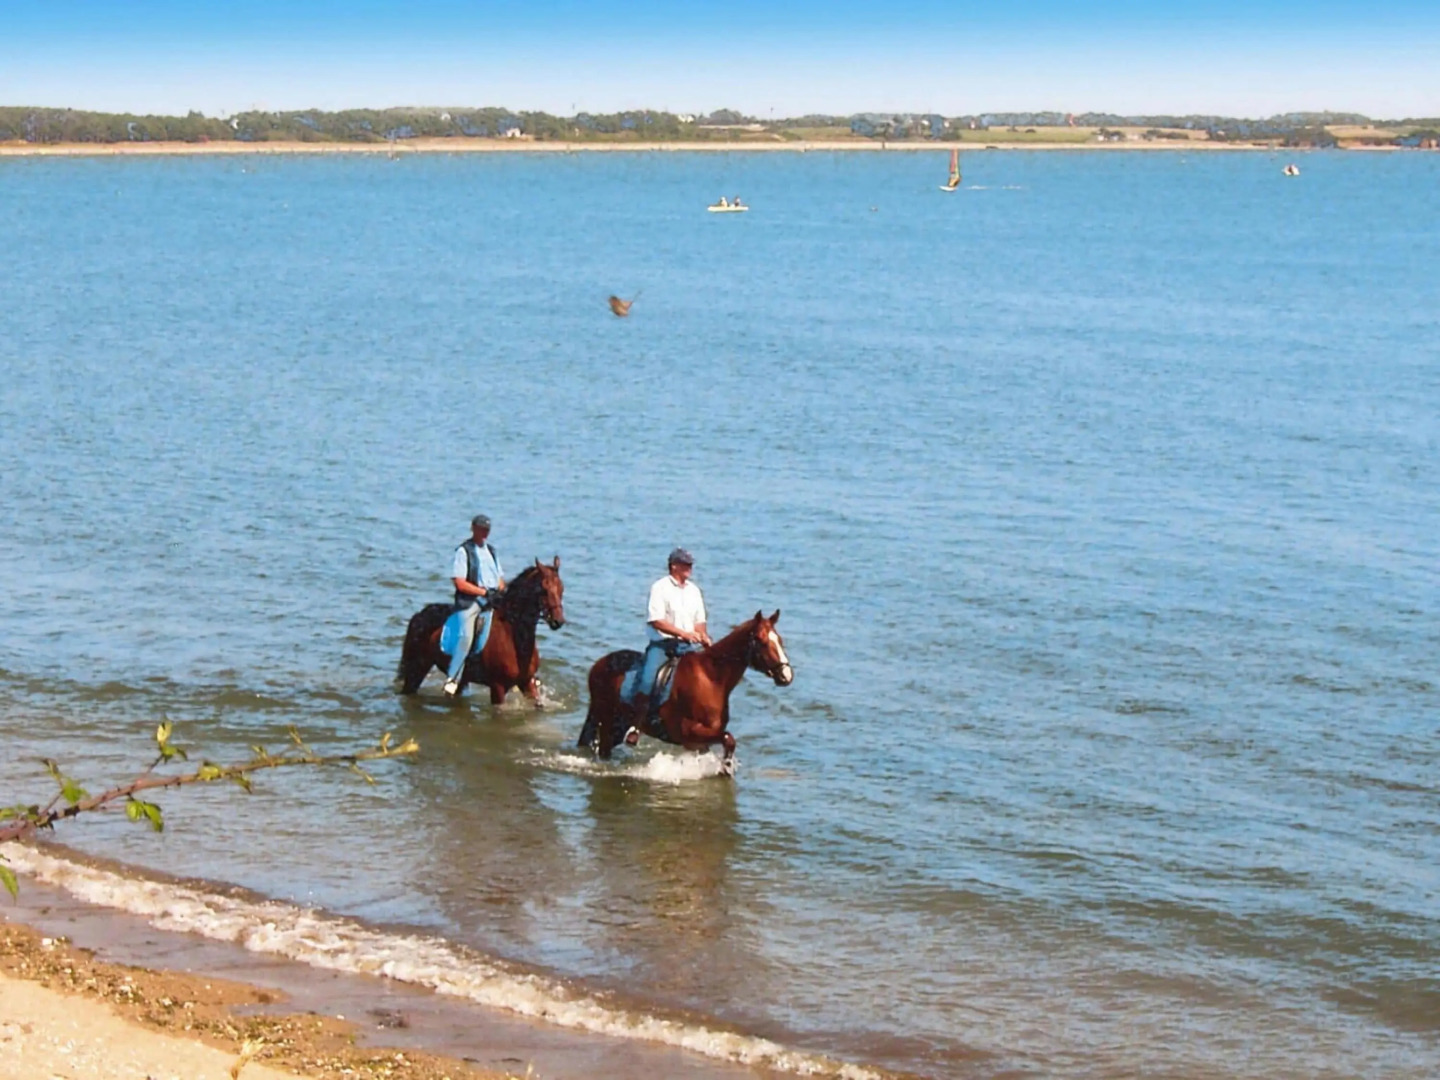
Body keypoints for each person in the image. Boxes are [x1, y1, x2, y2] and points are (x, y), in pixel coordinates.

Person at [622, 548, 711, 734]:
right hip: (662, 645)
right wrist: (683, 633)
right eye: (686, 564)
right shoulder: (660, 587)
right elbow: (656, 620)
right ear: (674, 566)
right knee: (648, 679)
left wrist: (702, 636)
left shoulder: (694, 591)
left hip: (686, 646)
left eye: (690, 565)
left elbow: (699, 622)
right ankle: (636, 725)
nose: (690, 568)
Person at [444, 514, 506, 696]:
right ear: (473, 528)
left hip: (493, 600)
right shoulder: (464, 551)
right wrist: (483, 592)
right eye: (481, 529)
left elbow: (500, 579)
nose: (484, 533)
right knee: (466, 635)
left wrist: (501, 591)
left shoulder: (492, 551)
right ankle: (453, 677)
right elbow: (459, 582)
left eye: (487, 529)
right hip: (471, 601)